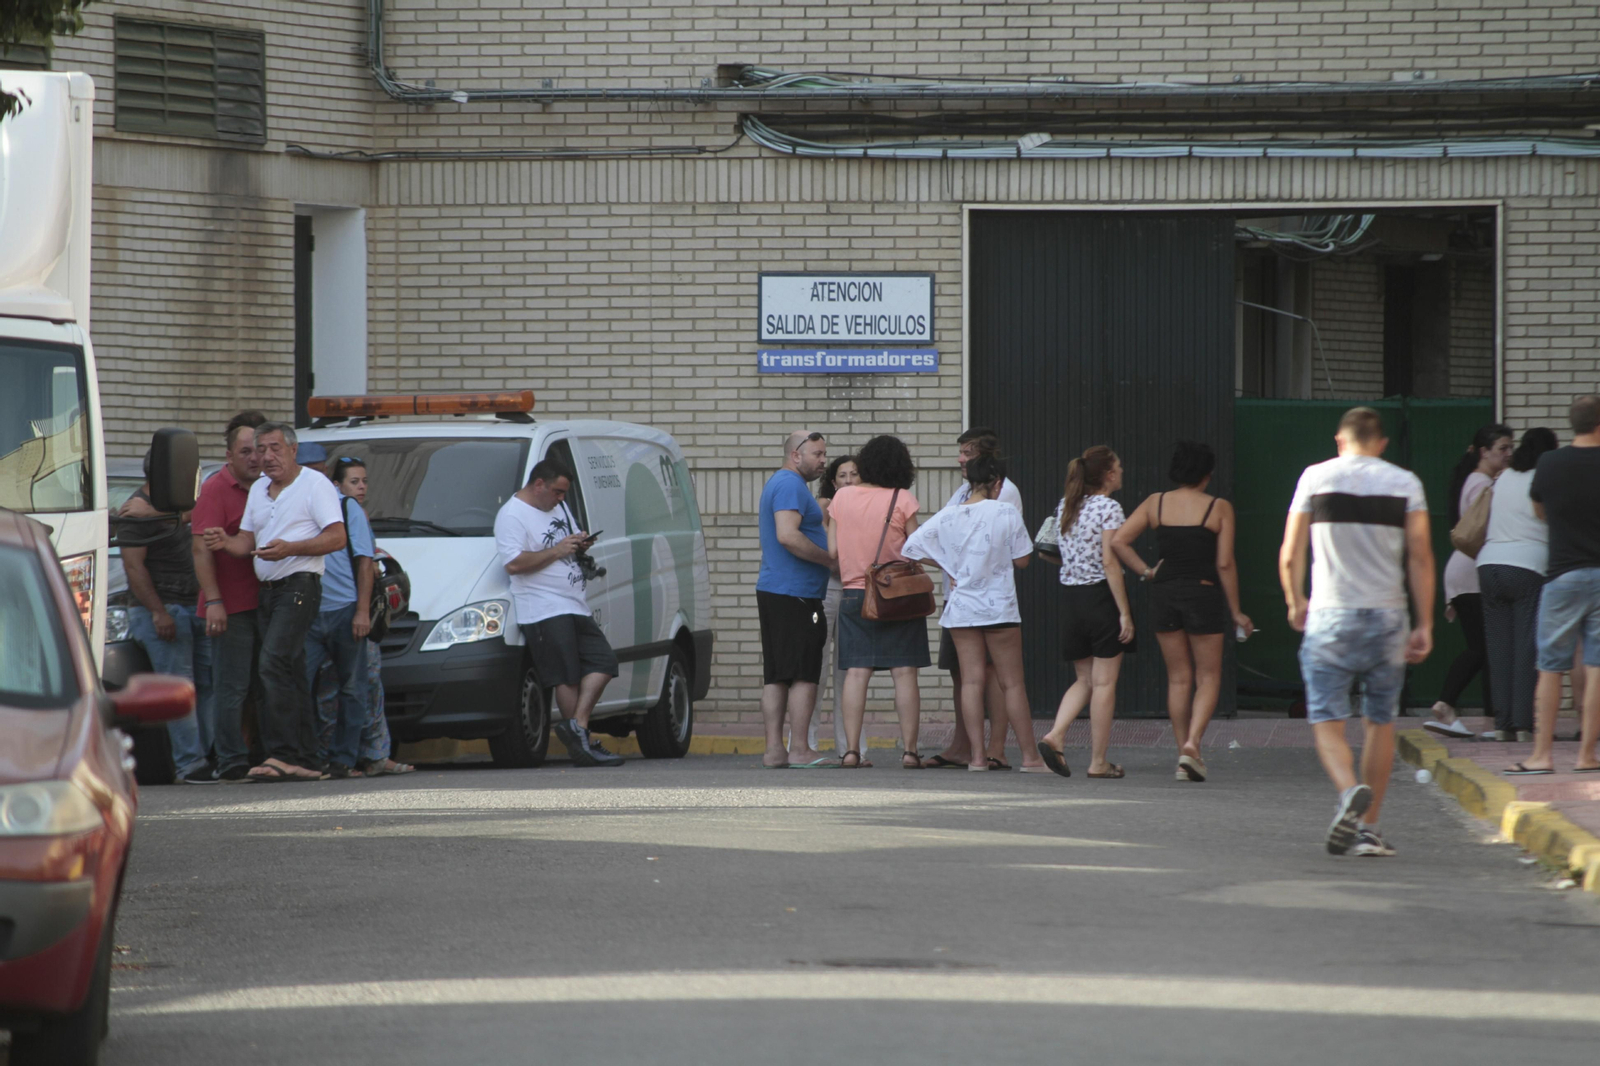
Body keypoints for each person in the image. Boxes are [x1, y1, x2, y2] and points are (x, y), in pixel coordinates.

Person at [1280, 407, 1434, 857]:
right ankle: (1369, 830)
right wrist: (1424, 622)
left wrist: (1295, 599)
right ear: (1381, 443)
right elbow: (1420, 555)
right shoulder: (1405, 482)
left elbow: (1291, 551)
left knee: (1326, 720)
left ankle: (1349, 790)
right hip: (1388, 616)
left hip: (1330, 612)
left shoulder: (1315, 478)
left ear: (1339, 440)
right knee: (1379, 722)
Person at [205, 422, 347, 782]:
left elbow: (337, 537)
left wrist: (291, 548)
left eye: (275, 448)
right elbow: (246, 541)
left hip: (299, 585)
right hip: (268, 590)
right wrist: (225, 541)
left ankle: (283, 754)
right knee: (290, 671)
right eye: (261, 449)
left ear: (293, 450)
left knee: (272, 663)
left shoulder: (314, 485)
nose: (266, 457)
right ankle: (308, 758)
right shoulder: (259, 490)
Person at [1111, 441, 1252, 782]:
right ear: (1207, 474)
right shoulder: (1218, 508)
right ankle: (1193, 745)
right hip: (1202, 594)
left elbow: (1118, 541)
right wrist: (1236, 611)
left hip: (1164, 593)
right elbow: (1225, 563)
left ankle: (1183, 757)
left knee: (1178, 678)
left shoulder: (1155, 502)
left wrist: (1146, 571)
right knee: (1208, 677)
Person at [903, 453, 1044, 772]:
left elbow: (910, 547)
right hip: (999, 608)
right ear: (998, 483)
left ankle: (977, 758)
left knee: (970, 682)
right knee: (1012, 684)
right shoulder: (1006, 511)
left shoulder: (948, 515)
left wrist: (948, 566)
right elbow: (1022, 560)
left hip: (962, 608)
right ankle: (1031, 758)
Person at [494, 457, 624, 767]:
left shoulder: (558, 506)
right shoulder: (512, 515)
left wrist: (580, 543)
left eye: (564, 493)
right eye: (557, 492)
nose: (561, 498)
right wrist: (558, 550)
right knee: (567, 676)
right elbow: (514, 564)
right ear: (539, 484)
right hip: (542, 607)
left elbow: (568, 541)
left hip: (574, 603)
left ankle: (577, 726)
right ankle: (582, 743)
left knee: (604, 662)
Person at [925, 428, 1028, 770]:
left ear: (986, 457)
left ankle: (995, 748)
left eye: (968, 453)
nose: (960, 459)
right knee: (963, 674)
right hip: (960, 598)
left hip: (986, 600)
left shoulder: (1004, 492)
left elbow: (1003, 546)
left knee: (992, 673)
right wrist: (948, 566)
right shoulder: (963, 491)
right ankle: (965, 746)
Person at [1508, 395, 1600, 776]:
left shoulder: (1549, 462)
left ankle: (1541, 755)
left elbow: (1539, 510)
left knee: (1550, 666)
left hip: (1562, 574)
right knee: (1596, 666)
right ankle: (1587, 755)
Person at [828, 434, 930, 768]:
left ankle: (851, 751)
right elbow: (916, 549)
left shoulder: (842, 497)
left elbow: (833, 551)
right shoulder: (903, 499)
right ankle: (910, 752)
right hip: (896, 594)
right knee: (904, 672)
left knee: (857, 673)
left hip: (854, 594)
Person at [1037, 446, 1134, 779]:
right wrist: (1124, 612)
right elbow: (1110, 561)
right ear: (1109, 474)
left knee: (1084, 679)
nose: (1122, 471)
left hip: (1071, 599)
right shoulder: (1110, 508)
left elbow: (1048, 552)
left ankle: (1055, 734)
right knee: (1104, 683)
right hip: (1100, 598)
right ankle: (1098, 762)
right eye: (1118, 466)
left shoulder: (1067, 504)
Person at [119, 451, 215, 783]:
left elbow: (200, 512)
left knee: (208, 684)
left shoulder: (177, 506)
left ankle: (209, 757)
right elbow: (133, 567)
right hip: (162, 609)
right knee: (179, 688)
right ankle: (191, 764)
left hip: (196, 606)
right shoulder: (134, 510)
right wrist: (158, 612)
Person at [318, 457, 414, 775]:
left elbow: (367, 560)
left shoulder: (357, 514)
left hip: (360, 612)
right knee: (333, 689)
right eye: (354, 482)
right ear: (336, 485)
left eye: (364, 481)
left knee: (369, 684)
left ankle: (374, 754)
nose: (361, 487)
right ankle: (332, 756)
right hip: (332, 611)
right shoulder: (331, 513)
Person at [190, 410, 266, 782]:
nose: (254, 458)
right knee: (231, 686)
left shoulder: (269, 488)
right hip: (231, 606)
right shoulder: (215, 489)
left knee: (264, 684)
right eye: (245, 451)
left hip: (267, 603)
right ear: (229, 455)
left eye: (259, 451)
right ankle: (231, 759)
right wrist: (214, 601)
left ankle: (264, 753)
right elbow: (200, 549)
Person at [1427, 424, 1514, 738]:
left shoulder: (1479, 480)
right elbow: (1487, 528)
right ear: (1484, 452)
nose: (1509, 454)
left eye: (1511, 448)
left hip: (1469, 573)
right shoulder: (1482, 484)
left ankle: (1491, 721)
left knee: (1487, 648)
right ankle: (1446, 704)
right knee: (1483, 647)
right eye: (1502, 448)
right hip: (1471, 574)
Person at [754, 430, 835, 769]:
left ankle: (775, 750)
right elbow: (788, 535)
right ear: (795, 455)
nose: (823, 460)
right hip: (796, 593)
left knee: (777, 675)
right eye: (817, 454)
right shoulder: (789, 484)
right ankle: (800, 748)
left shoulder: (783, 483)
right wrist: (828, 560)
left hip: (779, 591)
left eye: (824, 453)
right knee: (803, 672)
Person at [1477, 428, 1558, 743]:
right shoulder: (1545, 477)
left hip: (1489, 565)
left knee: (1499, 648)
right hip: (1528, 567)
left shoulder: (1504, 477)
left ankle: (1502, 725)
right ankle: (1523, 725)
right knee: (1526, 648)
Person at [302, 455, 378, 778]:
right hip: (306, 611)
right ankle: (308, 756)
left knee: (352, 687)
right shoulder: (297, 503)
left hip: (345, 609)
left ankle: (343, 759)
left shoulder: (347, 508)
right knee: (299, 685)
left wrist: (362, 610)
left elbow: (365, 562)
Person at [812, 453, 858, 760]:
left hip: (854, 591)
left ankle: (850, 747)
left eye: (854, 474)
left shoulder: (866, 504)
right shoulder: (824, 505)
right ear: (833, 481)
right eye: (842, 475)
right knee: (816, 670)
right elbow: (819, 547)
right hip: (826, 590)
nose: (849, 480)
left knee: (849, 671)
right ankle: (806, 743)